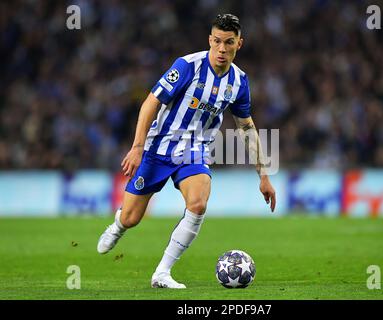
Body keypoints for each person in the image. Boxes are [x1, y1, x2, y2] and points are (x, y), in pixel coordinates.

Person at [97, 13, 276, 289]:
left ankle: (162, 273)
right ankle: (119, 224)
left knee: (198, 204)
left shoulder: (240, 82)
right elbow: (150, 103)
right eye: (217, 41)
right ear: (209, 40)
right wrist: (137, 147)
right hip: (158, 147)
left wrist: (263, 175)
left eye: (229, 42)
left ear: (239, 44)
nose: (221, 49)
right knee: (132, 218)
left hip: (195, 151)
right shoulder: (187, 66)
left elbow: (247, 128)